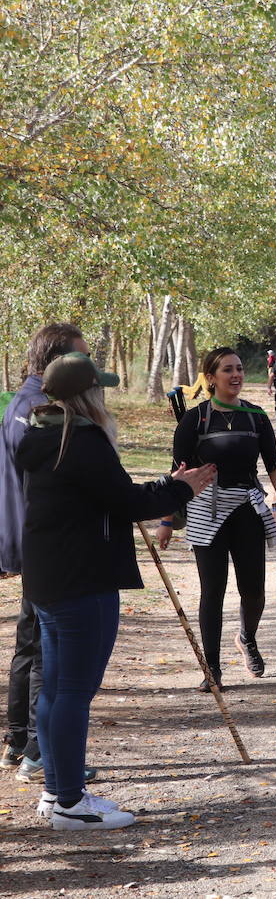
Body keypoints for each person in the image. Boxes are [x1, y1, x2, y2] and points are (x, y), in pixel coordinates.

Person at [18, 352, 213, 828]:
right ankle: (68, 802)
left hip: (49, 576)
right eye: (100, 388)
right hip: (82, 579)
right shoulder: (82, 440)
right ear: (88, 394)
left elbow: (107, 496)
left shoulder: (38, 435)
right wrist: (181, 489)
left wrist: (168, 485)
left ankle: (57, 792)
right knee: (73, 691)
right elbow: (126, 502)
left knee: (59, 687)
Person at [158, 347, 276, 692]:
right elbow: (179, 473)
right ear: (211, 378)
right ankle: (212, 669)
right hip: (206, 511)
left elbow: (275, 464)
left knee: (254, 591)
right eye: (228, 370)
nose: (236, 376)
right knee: (212, 592)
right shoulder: (195, 419)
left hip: (246, 508)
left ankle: (247, 636)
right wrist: (168, 520)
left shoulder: (256, 417)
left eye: (240, 369)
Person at [0, 324, 91, 783]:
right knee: (42, 654)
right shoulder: (37, 410)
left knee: (29, 643)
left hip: (30, 540)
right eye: (82, 359)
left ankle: (19, 742)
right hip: (43, 543)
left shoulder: (24, 401)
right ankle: (38, 749)